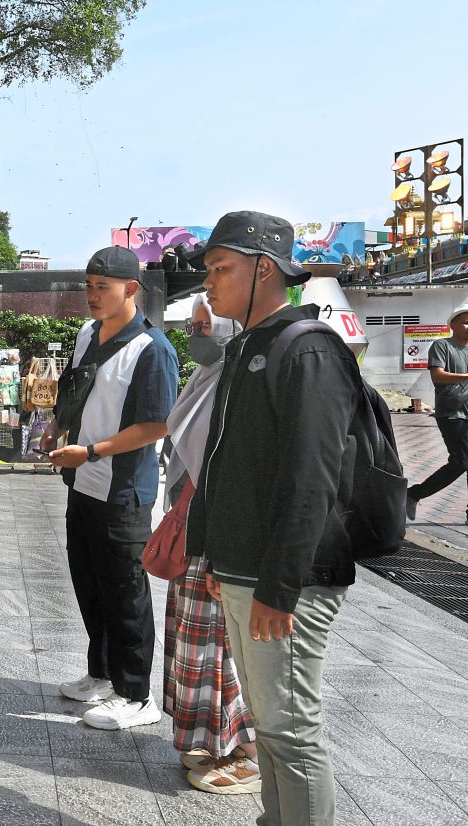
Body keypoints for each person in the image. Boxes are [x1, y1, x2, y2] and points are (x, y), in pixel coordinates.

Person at [186, 211, 358, 826]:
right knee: (270, 722)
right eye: (207, 269)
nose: (209, 281)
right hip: (241, 569)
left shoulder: (307, 348)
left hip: (289, 579)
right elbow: (222, 457)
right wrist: (207, 554)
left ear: (265, 268)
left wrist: (279, 589)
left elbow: (312, 480)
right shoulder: (246, 347)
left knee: (290, 731)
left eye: (221, 268)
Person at [42, 245, 178, 730]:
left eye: (103, 287)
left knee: (126, 594)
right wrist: (57, 427)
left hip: (123, 493)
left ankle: (137, 695)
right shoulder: (87, 334)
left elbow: (157, 425)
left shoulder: (153, 349)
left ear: (131, 290)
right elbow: (75, 388)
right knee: (90, 584)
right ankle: (101, 675)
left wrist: (94, 451)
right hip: (83, 483)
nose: (93, 296)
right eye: (88, 286)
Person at [161, 293, 258, 794]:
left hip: (217, 533)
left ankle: (250, 753)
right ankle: (214, 741)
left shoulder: (238, 381)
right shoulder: (204, 380)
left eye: (206, 324)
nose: (197, 333)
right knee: (197, 639)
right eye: (194, 324)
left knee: (220, 646)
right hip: (192, 531)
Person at [407, 301, 468, 524]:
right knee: (461, 462)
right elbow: (438, 376)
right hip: (452, 415)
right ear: (453, 325)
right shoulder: (442, 346)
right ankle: (414, 494)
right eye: (466, 322)